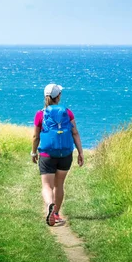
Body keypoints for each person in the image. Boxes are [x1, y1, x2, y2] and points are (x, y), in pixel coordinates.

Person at [31, 84, 84, 226]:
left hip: (47, 154)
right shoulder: (68, 112)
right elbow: (75, 133)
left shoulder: (40, 114)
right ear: (58, 96)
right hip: (65, 154)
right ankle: (55, 213)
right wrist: (80, 152)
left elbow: (36, 137)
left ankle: (50, 204)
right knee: (59, 184)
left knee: (46, 185)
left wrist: (33, 152)